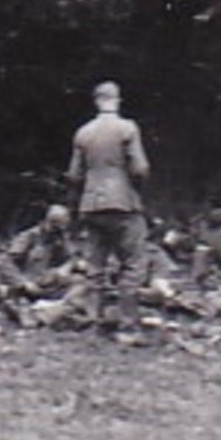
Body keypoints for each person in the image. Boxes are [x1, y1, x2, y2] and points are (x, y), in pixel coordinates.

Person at [66, 80, 151, 324]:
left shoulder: (83, 132)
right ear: (117, 100)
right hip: (123, 201)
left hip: (91, 204)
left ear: (96, 101)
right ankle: (127, 323)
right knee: (133, 262)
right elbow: (141, 168)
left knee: (95, 266)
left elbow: (73, 175)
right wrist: (137, 190)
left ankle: (95, 320)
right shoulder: (127, 128)